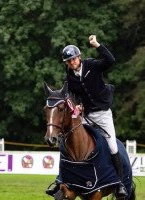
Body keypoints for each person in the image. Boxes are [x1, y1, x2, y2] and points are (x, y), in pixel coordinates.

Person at [46, 35, 127, 198]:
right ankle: (60, 180)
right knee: (66, 142)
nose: (71, 63)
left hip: (102, 113)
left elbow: (110, 60)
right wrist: (75, 105)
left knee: (112, 145)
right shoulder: (69, 74)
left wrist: (97, 45)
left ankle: (119, 184)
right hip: (86, 114)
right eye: (68, 61)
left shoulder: (92, 65)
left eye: (73, 59)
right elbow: (69, 95)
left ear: (79, 57)